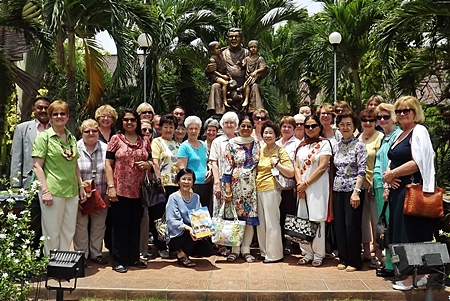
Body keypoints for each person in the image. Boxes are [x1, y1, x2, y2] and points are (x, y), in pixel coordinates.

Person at [383, 96, 436, 290]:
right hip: (399, 191)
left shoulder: (419, 131)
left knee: (412, 233)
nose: (402, 114)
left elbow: (418, 162)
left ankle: (418, 275)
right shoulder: (401, 134)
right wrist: (389, 181)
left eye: (407, 110)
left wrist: (393, 174)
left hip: (412, 190)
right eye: (398, 111)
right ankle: (407, 273)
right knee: (399, 232)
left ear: (415, 112)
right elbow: (393, 160)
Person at [32, 100, 86, 255]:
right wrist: (45, 190)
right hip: (53, 191)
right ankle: (51, 263)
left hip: (71, 190)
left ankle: (63, 263)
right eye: (55, 114)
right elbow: (37, 166)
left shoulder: (71, 138)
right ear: (50, 117)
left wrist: (80, 185)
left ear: (68, 116)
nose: (59, 116)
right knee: (51, 231)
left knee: (68, 230)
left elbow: (75, 164)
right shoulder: (44, 138)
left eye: (62, 113)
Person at [105, 108, 153, 273]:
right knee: (119, 226)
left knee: (135, 225)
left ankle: (133, 258)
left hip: (139, 191)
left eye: (132, 119)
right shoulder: (115, 139)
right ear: (122, 122)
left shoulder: (144, 141)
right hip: (120, 189)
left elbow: (151, 161)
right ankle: (118, 260)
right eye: (126, 120)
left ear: (137, 122)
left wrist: (148, 164)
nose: (129, 122)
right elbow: (108, 164)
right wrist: (111, 186)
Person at [295, 115, 332, 267]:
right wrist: (300, 185)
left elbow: (323, 167)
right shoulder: (302, 146)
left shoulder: (325, 144)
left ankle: (318, 254)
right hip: (302, 187)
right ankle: (306, 252)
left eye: (314, 126)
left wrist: (306, 183)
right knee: (303, 219)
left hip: (317, 187)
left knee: (317, 219)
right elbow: (296, 166)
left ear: (319, 127)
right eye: (307, 126)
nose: (310, 129)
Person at [332, 110, 367, 272]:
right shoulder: (337, 145)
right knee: (340, 225)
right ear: (338, 126)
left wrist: (356, 192)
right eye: (342, 124)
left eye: (349, 124)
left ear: (354, 127)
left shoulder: (359, 145)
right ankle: (343, 258)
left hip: (353, 190)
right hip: (338, 189)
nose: (345, 127)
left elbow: (362, 171)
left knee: (351, 225)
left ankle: (354, 260)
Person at [222, 116, 260, 262]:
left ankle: (246, 249)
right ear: (238, 127)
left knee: (250, 218)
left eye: (248, 126)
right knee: (235, 218)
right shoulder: (232, 144)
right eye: (243, 126)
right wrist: (227, 189)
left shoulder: (256, 143)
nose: (245, 129)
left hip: (252, 186)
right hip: (236, 185)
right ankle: (235, 249)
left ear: (252, 128)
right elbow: (227, 166)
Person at [256, 120, 294, 263]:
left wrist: (276, 163)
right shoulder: (261, 150)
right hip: (258, 189)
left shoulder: (280, 151)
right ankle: (264, 251)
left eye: (271, 133)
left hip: (272, 189)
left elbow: (291, 172)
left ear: (276, 135)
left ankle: (274, 254)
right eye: (265, 132)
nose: (267, 135)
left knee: (272, 222)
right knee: (261, 223)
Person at [206, 28, 267, 116]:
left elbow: (263, 68)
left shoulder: (248, 53)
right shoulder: (220, 54)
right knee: (215, 86)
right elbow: (212, 74)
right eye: (231, 37)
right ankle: (217, 115)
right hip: (227, 86)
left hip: (244, 86)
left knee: (255, 86)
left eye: (236, 36)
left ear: (241, 38)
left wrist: (256, 75)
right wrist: (208, 70)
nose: (233, 39)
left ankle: (256, 115)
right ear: (227, 39)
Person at [372, 103, 402, 277]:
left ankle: (393, 265)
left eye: (386, 117)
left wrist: (387, 186)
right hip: (378, 189)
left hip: (389, 188)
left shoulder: (398, 136)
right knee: (384, 227)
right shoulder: (384, 137)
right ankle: (388, 263)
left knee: (391, 227)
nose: (382, 120)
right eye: (380, 117)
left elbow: (392, 164)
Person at [73, 119, 108, 265]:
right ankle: (82, 255)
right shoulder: (74, 148)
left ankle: (96, 253)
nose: (91, 133)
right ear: (82, 133)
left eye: (94, 130)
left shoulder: (106, 148)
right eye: (87, 131)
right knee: (80, 225)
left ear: (98, 131)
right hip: (81, 194)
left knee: (99, 225)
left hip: (101, 193)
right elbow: (73, 172)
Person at [166, 168, 214, 267]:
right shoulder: (173, 197)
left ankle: (186, 250)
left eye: (189, 179)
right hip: (177, 233)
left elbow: (200, 216)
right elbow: (172, 220)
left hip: (194, 230)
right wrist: (188, 228)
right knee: (193, 233)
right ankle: (181, 255)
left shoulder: (196, 197)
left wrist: (207, 228)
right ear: (178, 181)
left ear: (193, 182)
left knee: (208, 250)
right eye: (183, 179)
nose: (186, 182)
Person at [151, 114, 181, 258]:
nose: (168, 129)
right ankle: (160, 245)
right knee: (159, 216)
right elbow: (155, 162)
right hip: (162, 185)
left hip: (176, 185)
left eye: (171, 127)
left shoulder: (178, 144)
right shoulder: (157, 142)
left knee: (173, 216)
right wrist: (159, 180)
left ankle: (174, 246)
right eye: (166, 126)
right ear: (160, 128)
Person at [358, 109, 384, 267]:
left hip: (375, 185)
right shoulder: (358, 138)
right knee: (362, 220)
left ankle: (379, 253)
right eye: (365, 120)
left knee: (376, 220)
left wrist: (374, 181)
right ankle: (366, 251)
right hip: (360, 185)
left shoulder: (380, 137)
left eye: (371, 120)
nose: (368, 123)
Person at [11, 96, 51, 188]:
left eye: (46, 108)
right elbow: (17, 158)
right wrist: (15, 184)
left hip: (52, 180)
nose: (43, 110)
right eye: (40, 108)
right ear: (34, 109)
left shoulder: (57, 129)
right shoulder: (22, 129)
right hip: (29, 181)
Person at [94, 104, 118, 255]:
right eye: (103, 116)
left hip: (115, 180)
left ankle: (111, 246)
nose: (106, 119)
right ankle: (94, 250)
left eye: (109, 116)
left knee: (111, 218)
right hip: (96, 180)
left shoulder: (117, 135)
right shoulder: (92, 132)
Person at [276, 116, 300, 255]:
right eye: (284, 126)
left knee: (290, 214)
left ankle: (289, 243)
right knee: (278, 214)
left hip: (290, 185)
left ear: (293, 129)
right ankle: (279, 241)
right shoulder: (276, 142)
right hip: (276, 185)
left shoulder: (297, 144)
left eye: (289, 127)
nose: (286, 129)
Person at [177, 116, 212, 212]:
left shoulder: (203, 145)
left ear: (199, 130)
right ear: (186, 130)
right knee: (193, 213)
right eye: (191, 128)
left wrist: (210, 170)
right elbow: (182, 169)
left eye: (196, 128)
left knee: (205, 213)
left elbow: (208, 161)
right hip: (193, 185)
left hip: (206, 184)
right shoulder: (184, 147)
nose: (193, 131)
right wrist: (188, 186)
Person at [210, 112, 238, 216]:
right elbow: (214, 162)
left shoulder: (240, 141)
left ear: (236, 124)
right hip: (221, 181)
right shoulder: (217, 142)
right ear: (222, 124)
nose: (229, 125)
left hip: (237, 181)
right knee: (220, 212)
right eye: (226, 122)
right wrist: (217, 182)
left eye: (232, 122)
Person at [139, 117, 154, 261]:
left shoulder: (149, 144)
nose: (147, 132)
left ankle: (142, 251)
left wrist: (148, 164)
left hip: (148, 187)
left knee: (145, 219)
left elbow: (152, 161)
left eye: (150, 130)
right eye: (144, 129)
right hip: (131, 187)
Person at [240, 40, 268, 107]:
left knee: (251, 84)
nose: (253, 48)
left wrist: (256, 72)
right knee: (246, 85)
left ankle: (247, 99)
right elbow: (242, 65)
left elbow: (263, 68)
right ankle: (246, 98)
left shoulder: (260, 59)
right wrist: (239, 64)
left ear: (258, 48)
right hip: (247, 77)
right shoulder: (247, 59)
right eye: (251, 47)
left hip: (255, 78)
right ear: (248, 48)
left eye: (255, 47)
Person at [207, 41, 230, 106]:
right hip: (214, 76)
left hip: (220, 75)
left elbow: (223, 48)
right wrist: (222, 76)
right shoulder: (212, 59)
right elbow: (214, 71)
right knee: (225, 83)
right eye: (217, 48)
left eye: (220, 48)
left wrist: (228, 47)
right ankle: (224, 100)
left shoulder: (219, 55)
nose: (219, 49)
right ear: (212, 51)